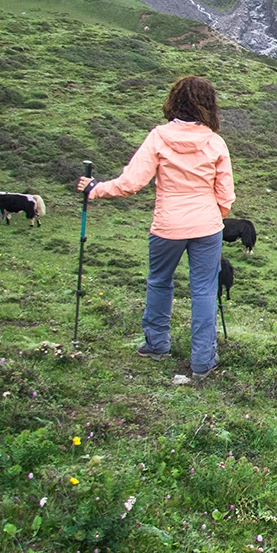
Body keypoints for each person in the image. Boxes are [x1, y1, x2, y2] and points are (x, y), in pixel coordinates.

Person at [77, 75, 235, 381]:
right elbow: (225, 194)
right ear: (209, 105)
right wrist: (214, 217)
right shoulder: (215, 142)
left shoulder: (159, 137)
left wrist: (95, 189)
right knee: (203, 290)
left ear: (175, 101)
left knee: (160, 282)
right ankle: (203, 361)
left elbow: (131, 183)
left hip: (167, 226)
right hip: (207, 226)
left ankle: (157, 344)